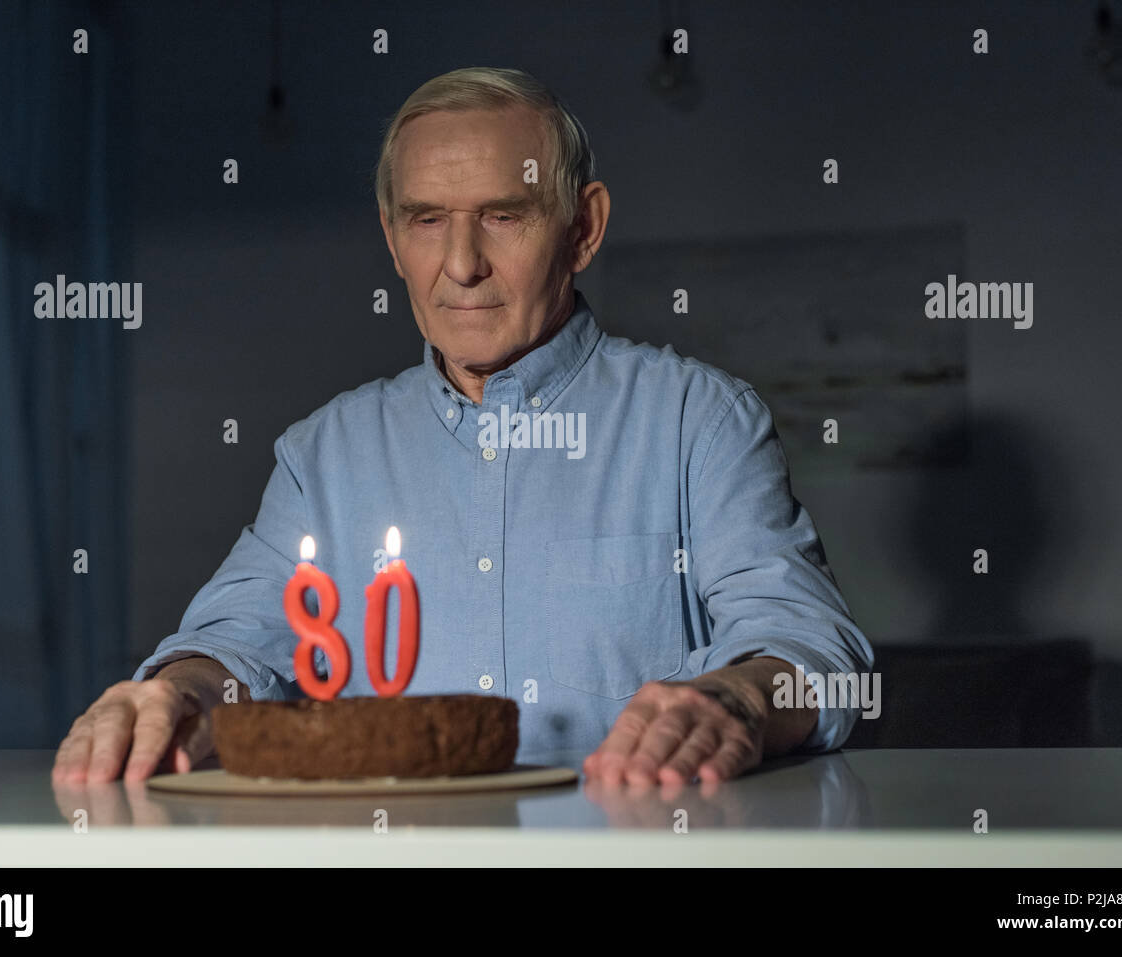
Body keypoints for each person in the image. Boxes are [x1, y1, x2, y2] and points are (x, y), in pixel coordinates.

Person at [53, 66, 873, 789]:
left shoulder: (701, 422)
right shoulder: (322, 455)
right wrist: (177, 696)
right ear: (391, 236)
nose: (462, 263)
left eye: (504, 217)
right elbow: (234, 648)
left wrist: (734, 698)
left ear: (583, 227)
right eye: (426, 220)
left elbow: (811, 653)